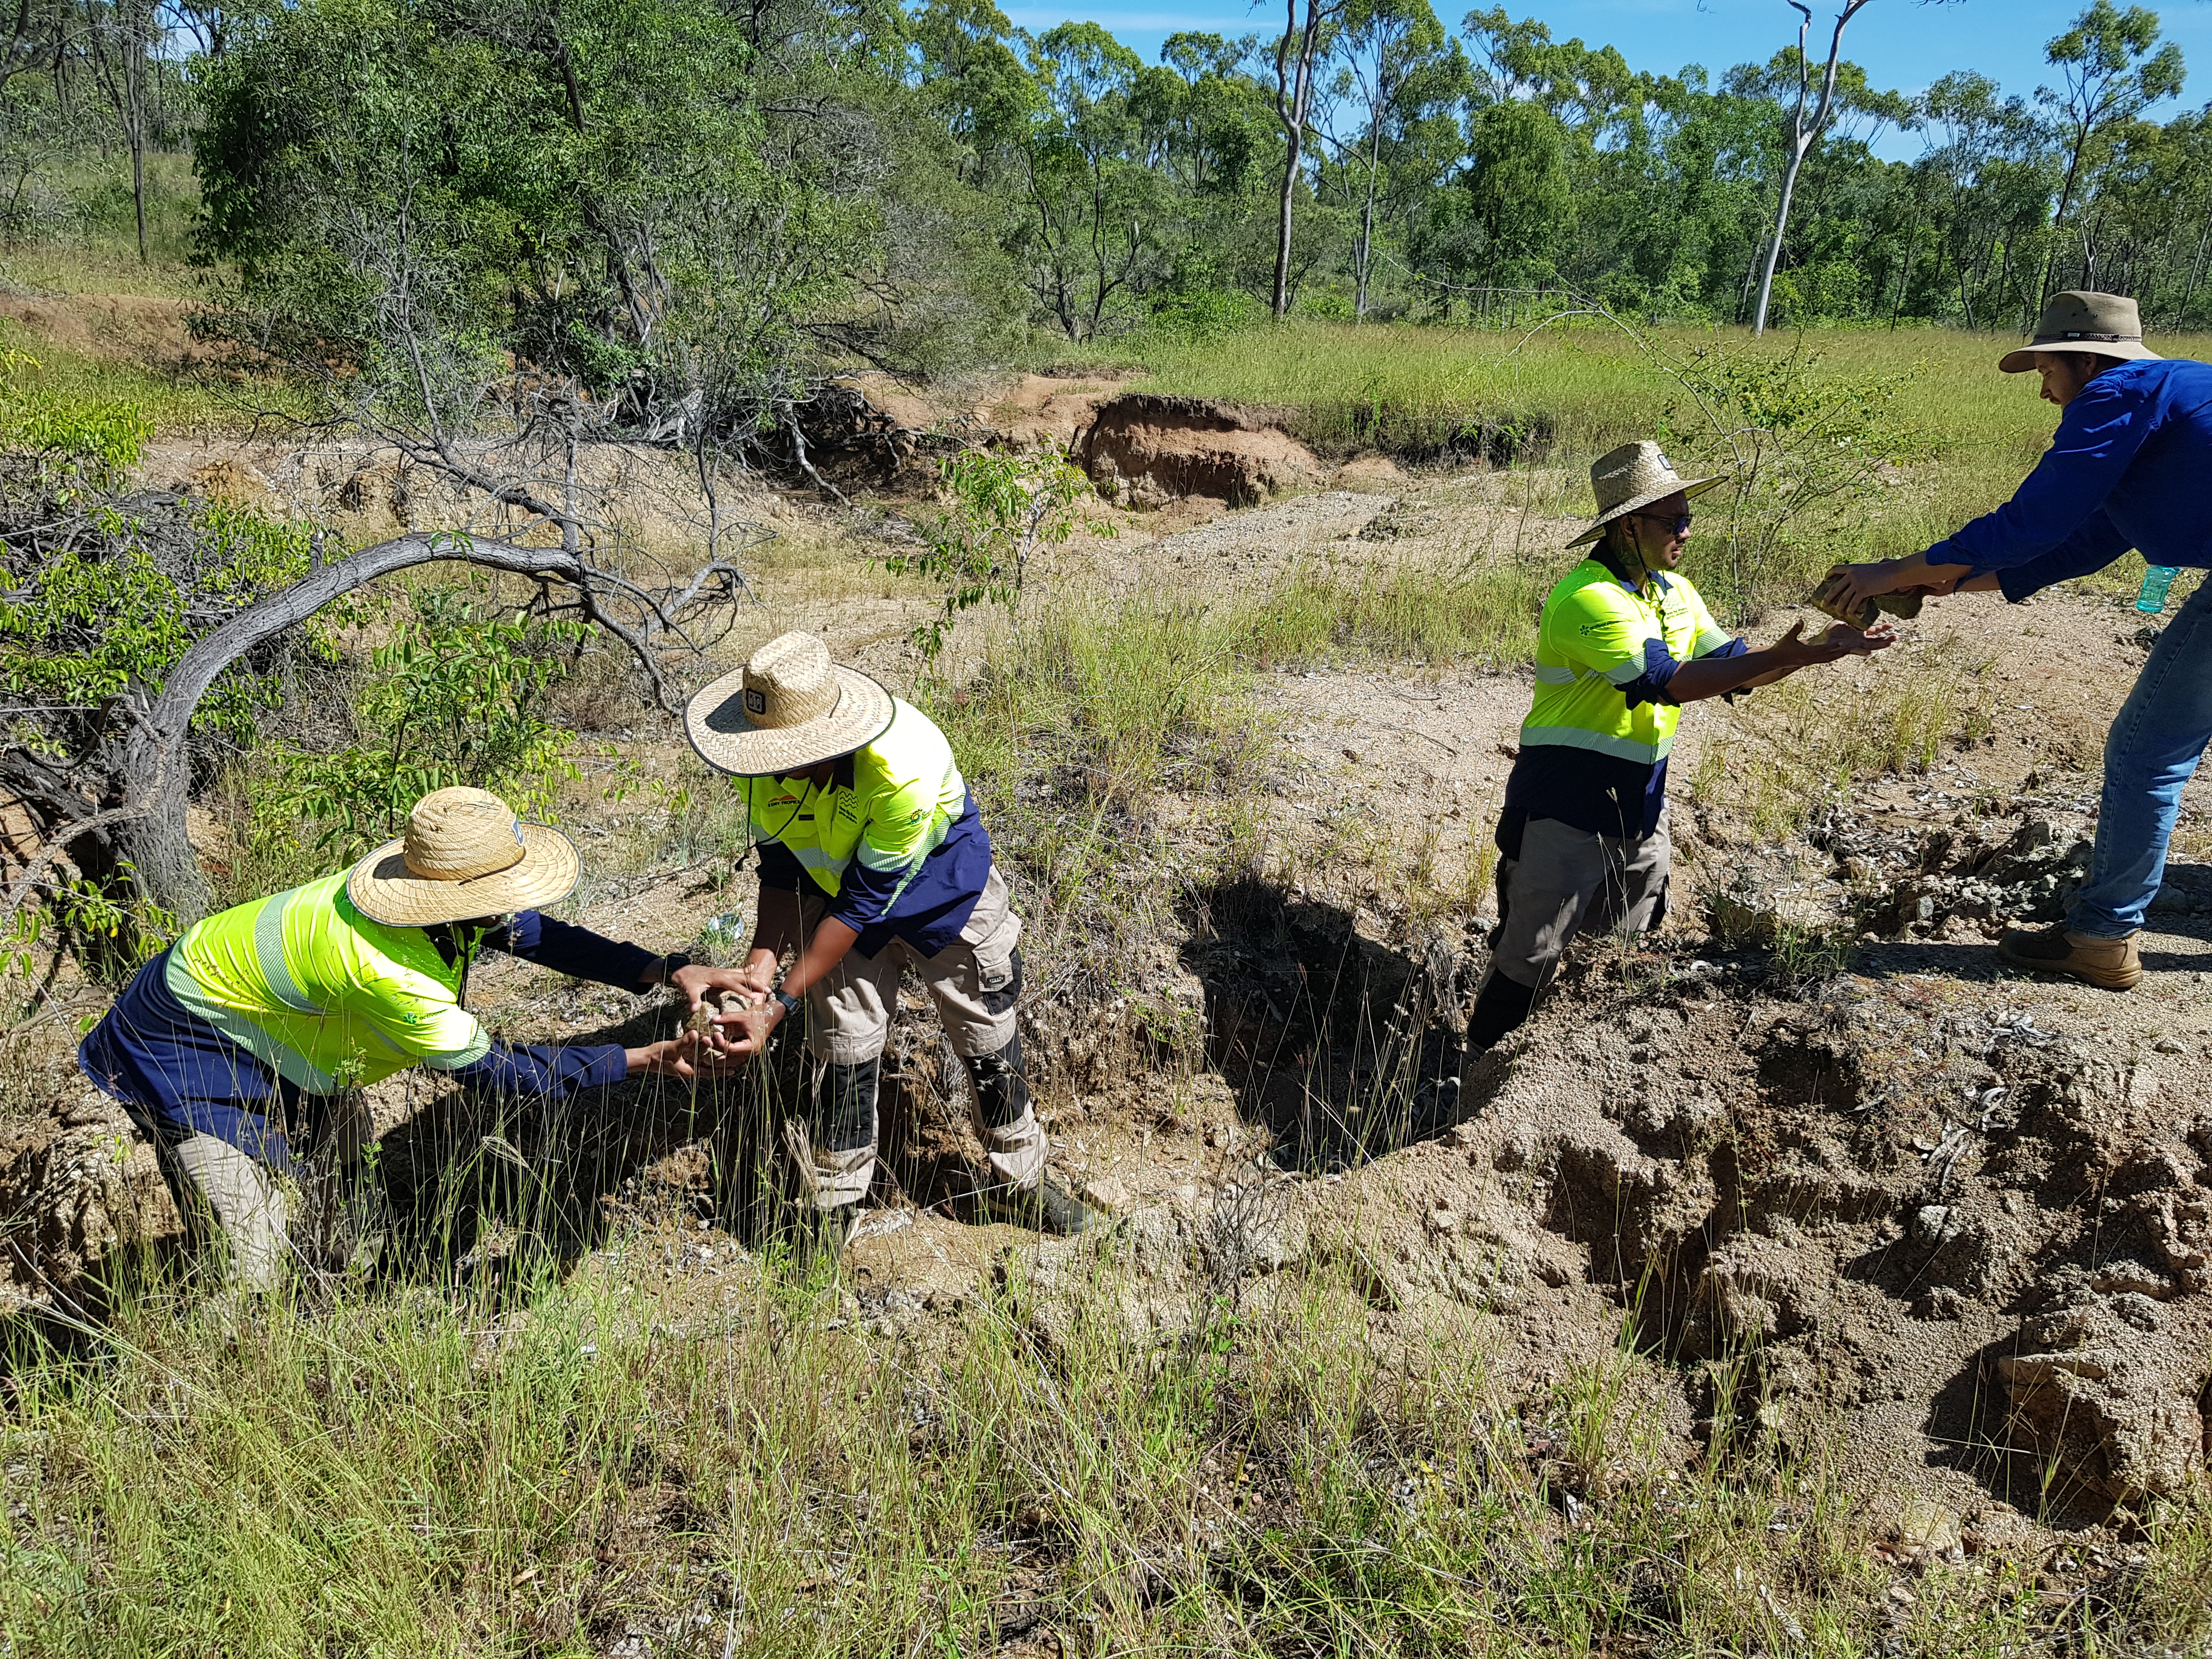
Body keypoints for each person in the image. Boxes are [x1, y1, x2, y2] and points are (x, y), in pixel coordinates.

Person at [78, 786, 747, 1289]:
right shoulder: (390, 970)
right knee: (253, 1254)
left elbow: (539, 936)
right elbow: (502, 1073)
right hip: (175, 1050)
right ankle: (237, 1360)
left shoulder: (424, 893)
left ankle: (342, 1288)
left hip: (279, 1031)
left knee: (346, 1190)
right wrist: (650, 1057)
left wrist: (664, 968)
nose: (513, 904)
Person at [1824, 290, 2212, 991]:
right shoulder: (2181, 393)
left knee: (2148, 753)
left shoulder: (2120, 391)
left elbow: (2033, 520)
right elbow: (2087, 541)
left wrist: (1894, 570)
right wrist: (1947, 583)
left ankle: (2101, 938)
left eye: (2047, 370)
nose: (2043, 390)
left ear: (2086, 361)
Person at [1465, 440, 1893, 1053]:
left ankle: (1568, 1072)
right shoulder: (1588, 597)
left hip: (1640, 810)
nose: (1686, 531)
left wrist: (1813, 651)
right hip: (1562, 812)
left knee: (1616, 959)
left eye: (1687, 517)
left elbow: (1735, 668)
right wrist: (1784, 656)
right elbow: (1668, 682)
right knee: (1527, 962)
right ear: (1627, 526)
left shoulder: (1676, 593)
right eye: (1673, 521)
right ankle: (1476, 1074)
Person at [684, 630, 1095, 1255]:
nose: (767, 770)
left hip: (942, 898)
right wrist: (756, 980)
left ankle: (1021, 1177)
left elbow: (860, 906)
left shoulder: (903, 767)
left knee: (985, 1036)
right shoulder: (758, 764)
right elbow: (783, 873)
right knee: (844, 1047)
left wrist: (780, 1006)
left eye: (782, 757)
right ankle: (836, 1200)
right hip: (836, 900)